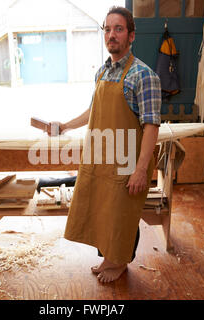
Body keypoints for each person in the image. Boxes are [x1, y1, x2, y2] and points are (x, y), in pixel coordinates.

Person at [48, 6, 161, 283]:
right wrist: (64, 126)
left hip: (127, 161)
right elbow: (92, 111)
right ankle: (109, 258)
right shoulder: (102, 72)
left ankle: (119, 262)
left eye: (118, 29)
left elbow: (151, 126)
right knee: (104, 210)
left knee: (122, 214)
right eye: (107, 29)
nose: (111, 34)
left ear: (131, 36)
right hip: (102, 157)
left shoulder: (143, 76)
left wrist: (140, 169)